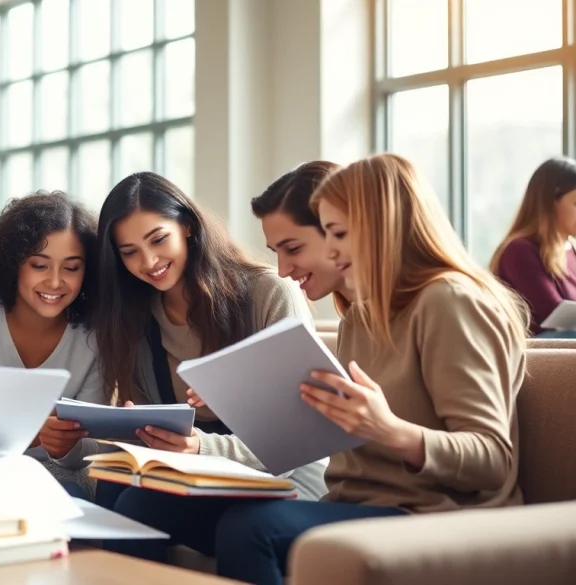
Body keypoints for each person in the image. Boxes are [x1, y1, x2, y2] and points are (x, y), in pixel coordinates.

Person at [202, 154, 528, 585]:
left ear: (382, 227)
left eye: (338, 233)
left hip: (432, 514)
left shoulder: (448, 301)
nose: (332, 250)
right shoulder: (360, 315)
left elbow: (493, 460)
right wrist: (242, 400)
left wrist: (389, 429)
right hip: (357, 504)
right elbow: (342, 432)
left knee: (250, 530)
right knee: (169, 508)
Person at [93, 171, 328, 556]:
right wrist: (140, 433)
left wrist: (200, 447)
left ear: (186, 226)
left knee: (140, 507)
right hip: (199, 477)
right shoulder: (137, 316)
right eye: (129, 252)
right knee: (115, 484)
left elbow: (296, 440)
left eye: (157, 240)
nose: (148, 261)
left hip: (283, 478)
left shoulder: (268, 293)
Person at [0, 191, 104, 499]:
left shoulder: (94, 335)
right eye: (39, 265)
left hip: (56, 475)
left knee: (71, 493)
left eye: (71, 268)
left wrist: (65, 445)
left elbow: (91, 450)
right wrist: (28, 435)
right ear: (14, 264)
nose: (55, 282)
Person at [490, 156, 576, 337]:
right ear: (550, 203)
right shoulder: (519, 250)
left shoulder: (570, 249)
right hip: (536, 351)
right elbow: (553, 315)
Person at [251, 160, 352, 309]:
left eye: (293, 249)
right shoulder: (353, 322)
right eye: (275, 251)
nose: (282, 271)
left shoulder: (397, 322)